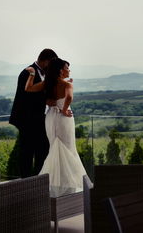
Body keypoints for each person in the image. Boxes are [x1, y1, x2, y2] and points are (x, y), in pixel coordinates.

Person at [25, 58, 87, 190]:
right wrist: (64, 109)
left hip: (51, 117)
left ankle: (55, 182)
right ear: (60, 70)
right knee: (68, 148)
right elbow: (69, 97)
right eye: (67, 67)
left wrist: (31, 74)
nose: (69, 70)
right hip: (64, 118)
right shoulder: (67, 85)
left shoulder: (47, 83)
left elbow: (28, 88)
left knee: (55, 147)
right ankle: (69, 183)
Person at [9, 48, 58, 178]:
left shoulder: (46, 73)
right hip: (27, 120)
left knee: (42, 150)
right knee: (27, 151)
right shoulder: (27, 73)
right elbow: (25, 95)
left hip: (40, 119)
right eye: (51, 64)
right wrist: (46, 100)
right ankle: (25, 181)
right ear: (46, 61)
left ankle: (38, 180)